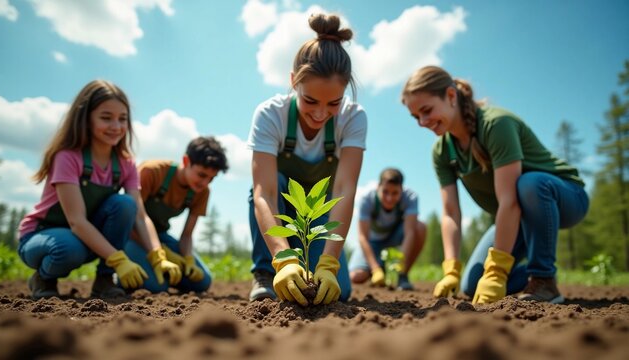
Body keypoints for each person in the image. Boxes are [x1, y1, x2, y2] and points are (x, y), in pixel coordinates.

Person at [401, 66, 589, 304]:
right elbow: (450, 213)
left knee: (529, 183)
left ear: (450, 96)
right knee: (473, 284)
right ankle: (533, 270)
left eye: (426, 110)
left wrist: (498, 270)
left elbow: (509, 200)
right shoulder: (442, 152)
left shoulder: (495, 125)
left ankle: (544, 280)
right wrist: (451, 269)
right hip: (519, 217)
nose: (422, 122)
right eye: (416, 116)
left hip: (565, 197)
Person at [17, 80, 181, 299]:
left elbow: (140, 217)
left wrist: (157, 255)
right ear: (86, 118)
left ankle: (105, 280)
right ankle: (43, 278)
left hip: (85, 238)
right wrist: (120, 259)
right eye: (106, 118)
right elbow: (77, 221)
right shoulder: (68, 157)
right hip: (43, 237)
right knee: (67, 249)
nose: (116, 126)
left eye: (122, 119)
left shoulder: (126, 164)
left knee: (125, 204)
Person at [247, 13, 367, 306]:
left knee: (339, 292)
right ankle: (264, 272)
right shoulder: (270, 115)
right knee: (271, 183)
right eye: (310, 101)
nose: (320, 113)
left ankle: (317, 266)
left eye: (333, 103)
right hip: (280, 207)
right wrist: (284, 259)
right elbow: (266, 193)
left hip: (319, 215)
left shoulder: (354, 118)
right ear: (293, 82)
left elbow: (343, 191)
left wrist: (328, 264)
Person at [123, 136, 228, 293]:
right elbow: (131, 220)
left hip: (160, 236)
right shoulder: (152, 172)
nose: (205, 183)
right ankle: (118, 277)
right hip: (130, 235)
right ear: (186, 161)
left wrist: (188, 259)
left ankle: (158, 272)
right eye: (201, 175)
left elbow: (186, 235)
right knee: (157, 286)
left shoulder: (201, 192)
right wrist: (162, 252)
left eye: (211, 179)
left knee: (201, 282)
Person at [349, 168, 426, 291]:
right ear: (378, 187)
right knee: (355, 277)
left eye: (395, 193)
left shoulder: (410, 198)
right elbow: (363, 237)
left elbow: (410, 233)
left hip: (394, 237)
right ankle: (379, 268)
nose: (389, 198)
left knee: (420, 227)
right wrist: (375, 269)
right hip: (372, 242)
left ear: (401, 189)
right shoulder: (367, 200)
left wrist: (399, 264)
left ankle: (402, 276)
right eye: (385, 192)